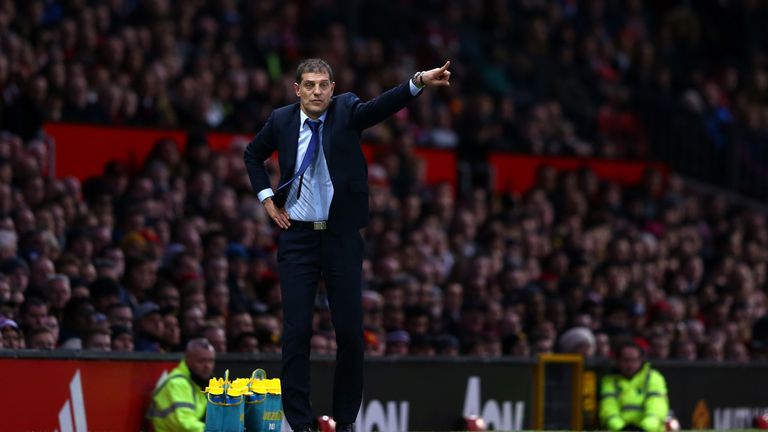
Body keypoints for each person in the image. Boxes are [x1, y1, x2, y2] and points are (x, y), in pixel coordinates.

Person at [244, 58, 451, 432]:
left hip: (340, 237)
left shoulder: (347, 110)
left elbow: (381, 106)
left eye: (323, 84)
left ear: (333, 88)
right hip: (298, 238)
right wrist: (267, 200)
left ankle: (345, 421)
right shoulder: (281, 120)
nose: (317, 91)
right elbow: (252, 154)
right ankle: (301, 423)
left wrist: (418, 81)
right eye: (309, 85)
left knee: (351, 334)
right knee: (295, 332)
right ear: (297, 89)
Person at [146, 338, 215, 431]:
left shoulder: (197, 383)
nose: (207, 366)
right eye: (201, 361)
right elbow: (183, 424)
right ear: (188, 361)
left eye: (211, 361)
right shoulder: (177, 384)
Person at [599, 340, 670, 431]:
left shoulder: (653, 377)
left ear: (641, 360)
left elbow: (657, 407)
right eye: (625, 360)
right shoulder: (609, 381)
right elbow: (608, 409)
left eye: (634, 360)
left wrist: (643, 429)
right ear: (618, 360)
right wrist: (622, 429)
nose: (630, 365)